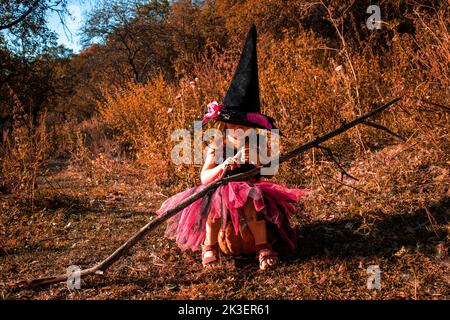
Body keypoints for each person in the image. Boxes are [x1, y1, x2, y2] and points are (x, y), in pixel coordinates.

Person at [157, 25, 307, 270]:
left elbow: (270, 174)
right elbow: (204, 176)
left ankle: (262, 247)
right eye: (235, 127)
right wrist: (225, 165)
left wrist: (259, 163)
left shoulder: (259, 144)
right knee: (212, 207)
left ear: (254, 128)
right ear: (225, 127)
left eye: (246, 127)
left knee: (253, 203)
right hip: (220, 189)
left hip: (251, 192)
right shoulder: (217, 146)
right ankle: (210, 246)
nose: (240, 131)